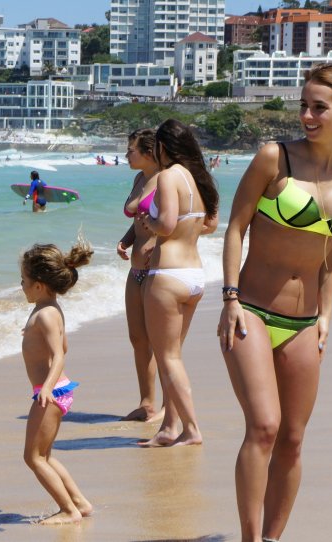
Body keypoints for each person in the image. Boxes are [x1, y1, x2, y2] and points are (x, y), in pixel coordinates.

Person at [217, 63, 332, 542]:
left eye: (320, 107)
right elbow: (235, 228)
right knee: (265, 427)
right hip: (250, 309)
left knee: (292, 441)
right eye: (304, 105)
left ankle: (273, 538)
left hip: (304, 321)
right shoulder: (275, 158)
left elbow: (331, 257)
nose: (308, 116)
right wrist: (229, 297)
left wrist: (326, 319)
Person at [136, 118, 219, 447]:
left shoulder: (169, 176)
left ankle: (192, 429)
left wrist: (149, 221)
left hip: (167, 275)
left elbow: (167, 224)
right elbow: (210, 225)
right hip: (195, 275)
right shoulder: (199, 179)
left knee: (168, 357)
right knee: (174, 356)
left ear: (163, 147)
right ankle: (170, 428)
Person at [20, 239, 94, 525]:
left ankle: (68, 510)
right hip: (55, 390)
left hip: (50, 392)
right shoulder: (50, 308)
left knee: (33, 457)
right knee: (45, 455)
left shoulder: (47, 314)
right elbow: (64, 347)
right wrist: (30, 336)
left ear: (39, 284)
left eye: (24, 280)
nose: (21, 285)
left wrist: (47, 388)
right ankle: (80, 503)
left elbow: (58, 357)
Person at [117, 128, 164, 422]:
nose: (126, 155)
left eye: (131, 150)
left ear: (148, 152)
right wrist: (126, 240)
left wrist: (158, 244)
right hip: (135, 269)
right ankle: (147, 402)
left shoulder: (167, 180)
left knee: (161, 341)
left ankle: (169, 406)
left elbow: (179, 222)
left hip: (158, 269)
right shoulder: (139, 179)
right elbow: (138, 221)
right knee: (137, 337)